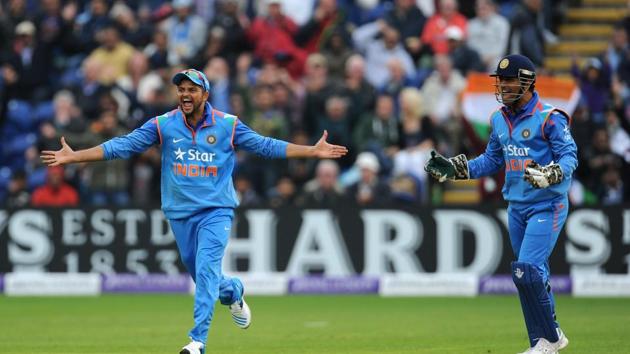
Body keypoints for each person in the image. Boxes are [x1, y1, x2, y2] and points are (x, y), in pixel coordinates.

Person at [41, 68, 348, 354]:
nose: (185, 94)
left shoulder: (228, 125)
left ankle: (197, 341)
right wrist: (76, 157)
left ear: (206, 94)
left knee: (204, 271)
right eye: (181, 90)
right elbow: (123, 145)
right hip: (180, 214)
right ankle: (233, 291)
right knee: (209, 280)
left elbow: (266, 146)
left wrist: (311, 151)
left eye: (192, 89)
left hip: (216, 211)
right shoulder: (163, 124)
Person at [424, 54, 576, 354]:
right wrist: (458, 169)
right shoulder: (498, 118)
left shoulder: (550, 117)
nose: (504, 86)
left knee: (528, 269)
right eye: (501, 80)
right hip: (516, 207)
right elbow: (493, 160)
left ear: (529, 82)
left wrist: (551, 173)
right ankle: (543, 341)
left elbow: (570, 156)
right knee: (528, 276)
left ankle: (551, 341)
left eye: (510, 80)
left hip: (547, 204)